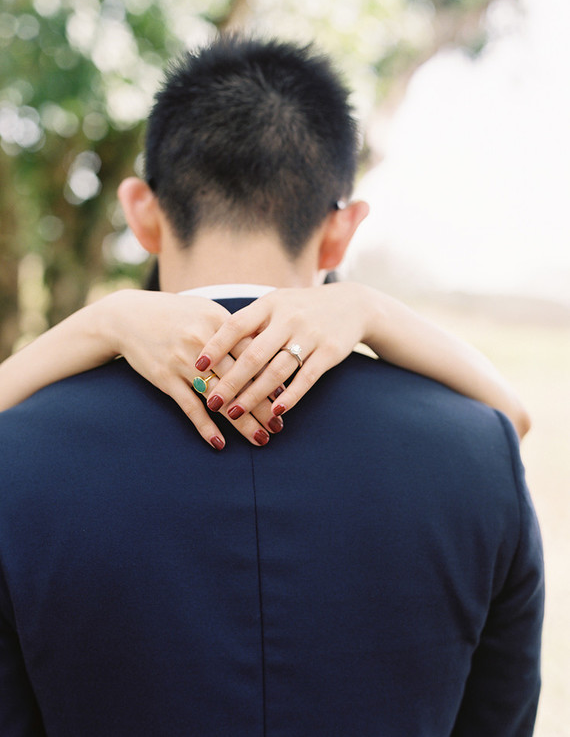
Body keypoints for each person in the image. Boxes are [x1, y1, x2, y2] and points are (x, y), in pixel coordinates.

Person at [0, 36, 543, 736]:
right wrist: (375, 311)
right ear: (340, 233)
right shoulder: (478, 451)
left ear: (141, 211)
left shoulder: (19, 453)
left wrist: (96, 323)